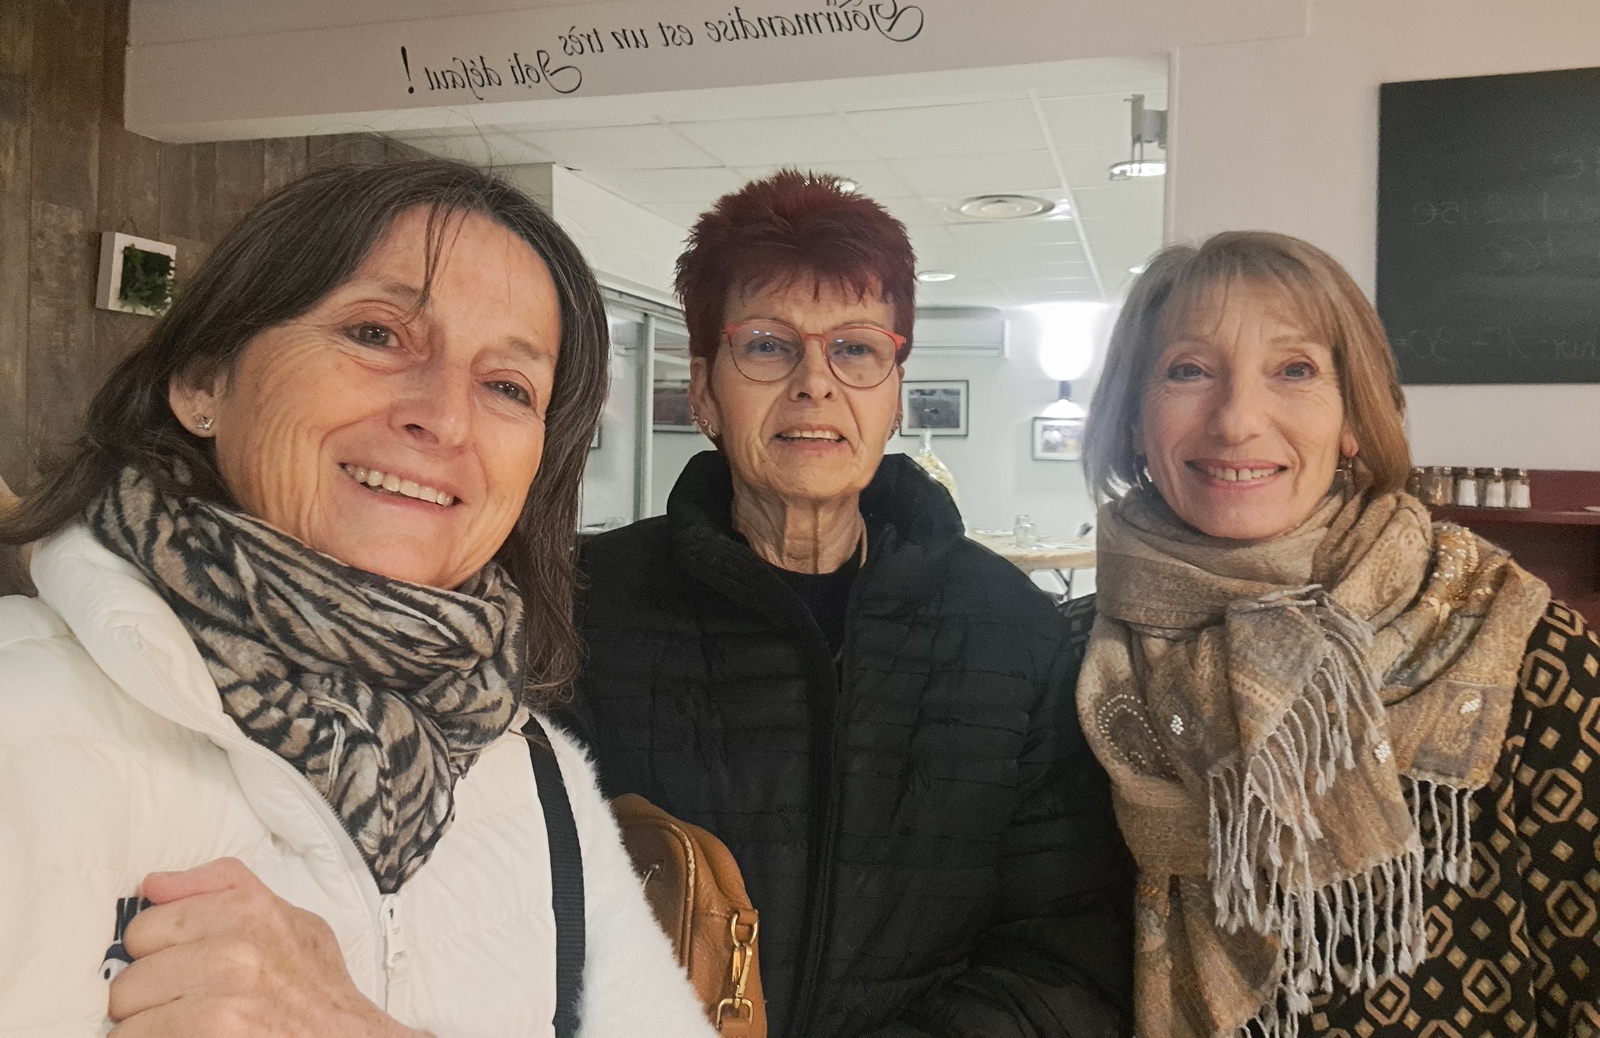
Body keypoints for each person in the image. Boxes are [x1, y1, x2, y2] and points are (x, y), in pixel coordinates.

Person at [0, 161, 714, 1037]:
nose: (444, 418)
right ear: (202, 381)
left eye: (507, 386)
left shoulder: (537, 778)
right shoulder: (21, 725)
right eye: (377, 334)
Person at [570, 170, 1135, 1038]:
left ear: (895, 392)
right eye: (768, 345)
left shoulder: (1011, 634)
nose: (815, 383)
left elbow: (1068, 953)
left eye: (857, 349)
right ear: (707, 390)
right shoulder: (581, 607)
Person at [1077, 230, 1600, 1038]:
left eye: (1294, 370)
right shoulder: (1062, 664)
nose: (1236, 421)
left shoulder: (1519, 647)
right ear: (1135, 419)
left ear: (1353, 416)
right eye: (1187, 370)